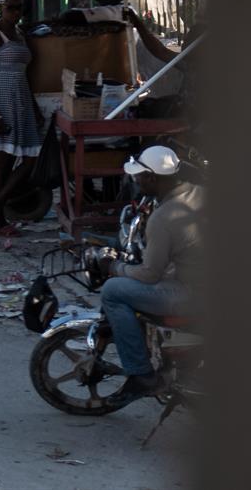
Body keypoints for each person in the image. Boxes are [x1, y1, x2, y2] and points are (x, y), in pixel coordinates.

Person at [97, 146, 201, 398]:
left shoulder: (163, 218)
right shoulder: (202, 193)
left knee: (112, 291)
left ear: (153, 179)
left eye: (140, 176)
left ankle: (141, 374)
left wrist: (115, 268)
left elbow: (149, 275)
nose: (136, 181)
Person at [0, 0, 41, 232]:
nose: (16, 12)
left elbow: (28, 76)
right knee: (2, 162)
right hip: (1, 103)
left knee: (28, 159)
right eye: (11, 8)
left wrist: (33, 107)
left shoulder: (21, 34)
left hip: (21, 100)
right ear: (0, 9)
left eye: (19, 7)